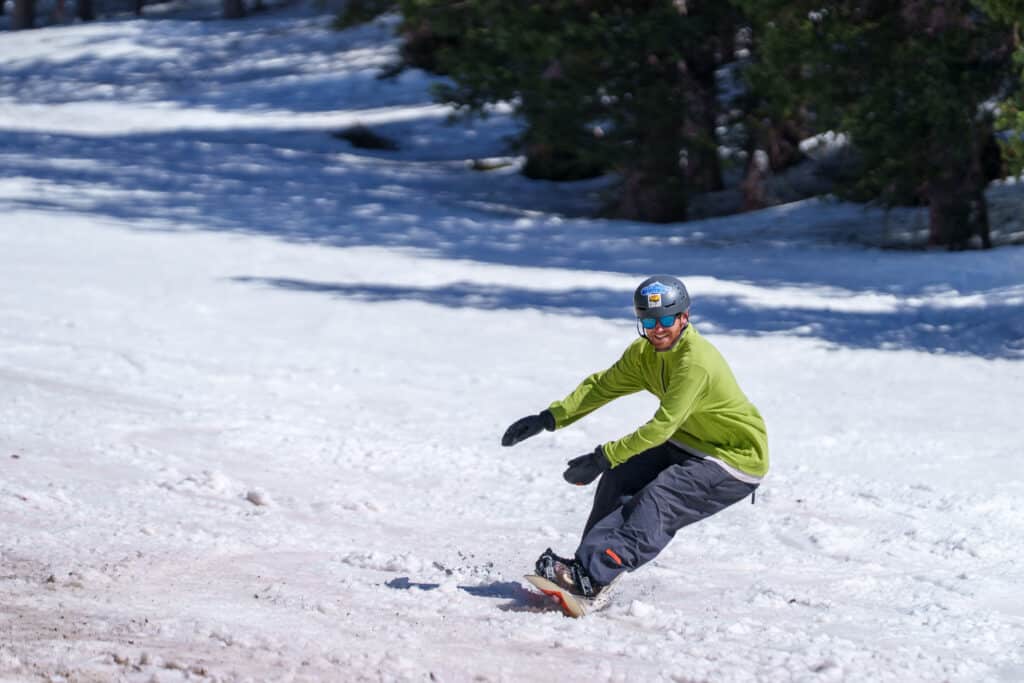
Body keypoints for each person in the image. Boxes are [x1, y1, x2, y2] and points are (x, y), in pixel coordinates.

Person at [502, 275, 768, 602]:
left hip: (731, 459)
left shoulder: (694, 362)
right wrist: (549, 418)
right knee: (620, 476)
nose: (658, 329)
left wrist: (602, 456)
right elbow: (602, 386)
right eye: (648, 320)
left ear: (685, 317)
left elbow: (661, 427)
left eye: (667, 319)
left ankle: (595, 573)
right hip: (687, 442)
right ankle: (586, 569)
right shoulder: (645, 354)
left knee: (660, 497)